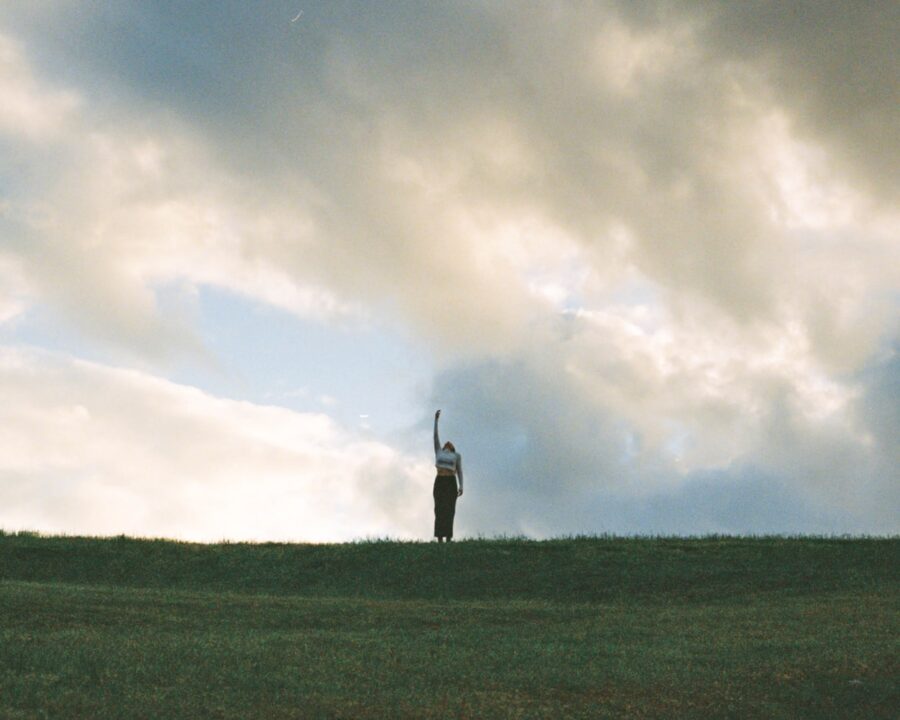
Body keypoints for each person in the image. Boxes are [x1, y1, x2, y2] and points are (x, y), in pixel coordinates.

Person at [433, 409, 463, 542]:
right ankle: (440, 537)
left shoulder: (456, 456)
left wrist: (461, 486)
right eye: (446, 443)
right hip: (440, 480)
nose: (448, 443)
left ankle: (448, 537)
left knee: (450, 509)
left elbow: (459, 471)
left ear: (452, 448)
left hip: (451, 482)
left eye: (450, 444)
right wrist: (436, 420)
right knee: (439, 509)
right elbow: (435, 437)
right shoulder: (439, 452)